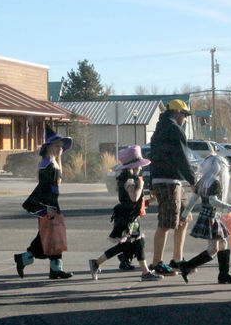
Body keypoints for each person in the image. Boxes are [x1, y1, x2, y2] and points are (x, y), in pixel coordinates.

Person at [88, 146, 163, 282]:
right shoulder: (129, 179)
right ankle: (144, 272)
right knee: (134, 244)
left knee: (132, 244)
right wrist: (140, 185)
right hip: (128, 218)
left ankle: (97, 263)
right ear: (134, 166)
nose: (141, 169)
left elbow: (134, 201)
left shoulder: (127, 177)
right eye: (139, 166)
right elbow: (134, 197)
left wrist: (148, 200)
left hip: (129, 216)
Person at [14, 126, 73, 279]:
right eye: (57, 146)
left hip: (49, 203)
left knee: (53, 235)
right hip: (49, 204)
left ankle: (55, 269)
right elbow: (49, 188)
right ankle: (25, 258)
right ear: (49, 147)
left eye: (61, 146)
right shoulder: (50, 165)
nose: (60, 149)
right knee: (49, 236)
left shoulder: (48, 162)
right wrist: (50, 207)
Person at [149, 99, 197, 275]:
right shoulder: (174, 130)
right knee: (166, 222)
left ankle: (177, 259)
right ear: (177, 113)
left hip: (167, 181)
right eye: (184, 115)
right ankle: (156, 264)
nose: (185, 119)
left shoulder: (159, 129)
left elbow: (153, 157)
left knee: (184, 216)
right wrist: (193, 181)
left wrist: (151, 184)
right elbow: (182, 158)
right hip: (168, 181)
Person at [179, 155, 231, 284]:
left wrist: (185, 213)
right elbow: (213, 201)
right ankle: (188, 266)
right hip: (212, 217)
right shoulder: (215, 183)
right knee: (213, 249)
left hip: (206, 215)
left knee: (222, 243)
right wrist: (230, 208)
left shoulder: (203, 181)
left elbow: (193, 200)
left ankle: (224, 274)